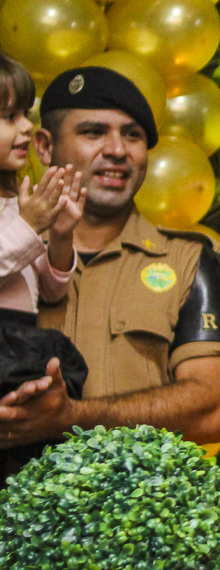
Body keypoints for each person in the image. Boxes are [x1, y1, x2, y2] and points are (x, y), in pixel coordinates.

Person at [0, 66, 220, 471]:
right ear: (44, 147)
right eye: (93, 132)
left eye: (133, 135)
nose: (117, 150)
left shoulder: (190, 259)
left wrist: (70, 417)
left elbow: (211, 409)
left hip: (140, 504)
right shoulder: (11, 250)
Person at [0, 54, 89, 482]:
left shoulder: (17, 199)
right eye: (8, 117)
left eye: (24, 114)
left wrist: (61, 236)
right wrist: (29, 224)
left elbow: (50, 290)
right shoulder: (24, 212)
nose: (25, 128)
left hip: (19, 344)